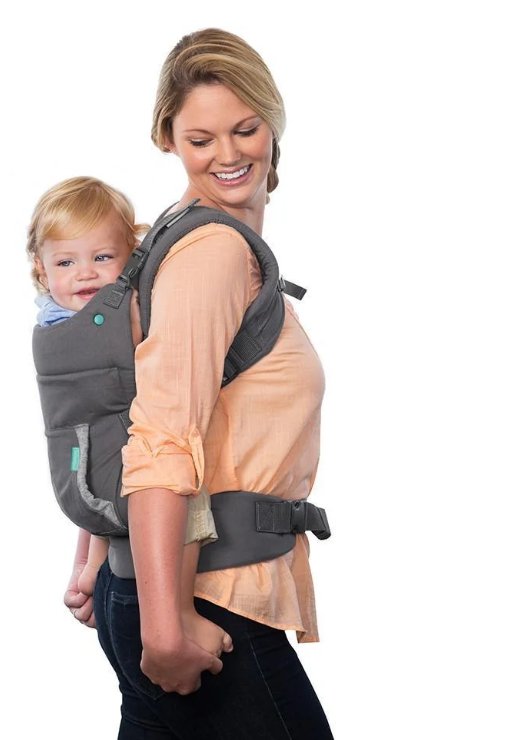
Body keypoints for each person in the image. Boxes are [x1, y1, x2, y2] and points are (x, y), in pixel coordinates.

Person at [90, 28, 334, 739]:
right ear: (166, 138)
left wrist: (98, 561)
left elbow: (121, 401)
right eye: (201, 139)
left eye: (245, 129)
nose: (228, 155)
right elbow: (161, 434)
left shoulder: (184, 237)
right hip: (206, 606)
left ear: (273, 122)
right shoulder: (213, 253)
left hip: (166, 591)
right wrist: (165, 628)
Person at [28, 176, 232, 655]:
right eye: (66, 262)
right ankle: (180, 610)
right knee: (177, 475)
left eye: (102, 257)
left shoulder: (51, 317)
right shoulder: (118, 313)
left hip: (83, 474)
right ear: (41, 269)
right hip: (112, 472)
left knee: (116, 464)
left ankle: (91, 565)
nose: (85, 274)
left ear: (130, 252)